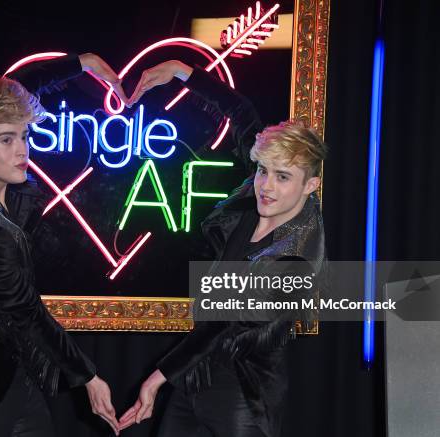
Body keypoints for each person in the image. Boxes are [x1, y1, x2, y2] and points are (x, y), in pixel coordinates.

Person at [0, 53, 128, 436]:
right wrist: (88, 377)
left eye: (25, 136)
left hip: (19, 376)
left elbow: (21, 87)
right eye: (7, 139)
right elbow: (27, 312)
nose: (23, 150)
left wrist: (84, 63)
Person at [118, 60, 328, 437]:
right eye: (263, 170)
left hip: (243, 396)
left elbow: (222, 323)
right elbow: (242, 113)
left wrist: (157, 378)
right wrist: (183, 71)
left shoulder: (294, 256)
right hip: (195, 377)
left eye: (283, 177)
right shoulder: (258, 199)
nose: (266, 185)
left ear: (310, 186)